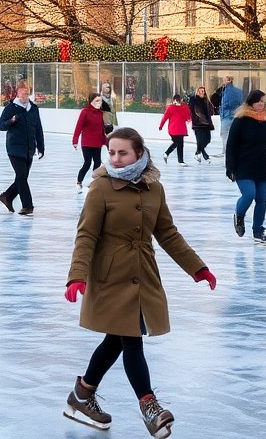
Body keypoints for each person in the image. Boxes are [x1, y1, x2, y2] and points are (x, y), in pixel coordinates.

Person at [63, 127, 215, 437]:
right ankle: (149, 406)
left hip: (142, 274)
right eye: (112, 152)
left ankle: (81, 394)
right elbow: (86, 235)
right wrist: (76, 276)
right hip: (109, 277)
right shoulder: (101, 187)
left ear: (139, 154)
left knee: (118, 339)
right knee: (131, 339)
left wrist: (197, 268)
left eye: (123, 153)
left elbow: (168, 233)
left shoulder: (154, 188)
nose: (116, 159)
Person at [225, 89, 266, 245]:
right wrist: (230, 167)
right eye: (258, 101)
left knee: (261, 200)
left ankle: (258, 230)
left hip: (261, 165)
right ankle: (239, 215)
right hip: (243, 165)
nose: (261, 104)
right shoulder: (241, 119)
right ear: (251, 102)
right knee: (249, 195)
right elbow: (231, 145)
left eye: (263, 101)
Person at [0, 84, 45, 216]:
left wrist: (41, 147)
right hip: (14, 149)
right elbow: (0, 125)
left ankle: (7, 196)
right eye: (22, 94)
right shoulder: (11, 108)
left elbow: (38, 129)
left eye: (27, 94)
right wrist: (11, 121)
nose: (25, 96)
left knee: (22, 177)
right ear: (17, 94)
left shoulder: (33, 109)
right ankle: (27, 206)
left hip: (29, 149)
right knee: (22, 177)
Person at [72, 96, 108, 190]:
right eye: (96, 101)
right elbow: (78, 126)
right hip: (87, 143)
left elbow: (101, 130)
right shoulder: (85, 112)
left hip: (97, 143)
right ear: (91, 101)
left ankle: (94, 181)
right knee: (87, 163)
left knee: (97, 162)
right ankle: (79, 181)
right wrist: (75, 140)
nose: (99, 103)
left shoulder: (100, 113)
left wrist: (106, 142)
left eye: (100, 101)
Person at [158, 94, 190, 167]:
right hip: (174, 129)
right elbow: (165, 117)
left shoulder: (184, 107)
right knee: (177, 143)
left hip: (181, 129)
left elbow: (187, 117)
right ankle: (167, 153)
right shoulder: (171, 108)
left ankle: (180, 160)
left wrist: (183, 107)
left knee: (180, 145)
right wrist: (161, 125)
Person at [187, 86, 215, 164]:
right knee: (200, 141)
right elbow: (192, 110)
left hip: (206, 124)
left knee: (207, 140)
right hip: (198, 123)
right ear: (197, 92)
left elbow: (211, 111)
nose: (201, 92)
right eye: (200, 91)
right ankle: (205, 156)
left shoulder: (206, 101)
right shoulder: (194, 99)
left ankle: (198, 153)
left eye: (203, 91)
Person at [217, 76, 244, 148]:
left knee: (225, 134)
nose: (223, 82)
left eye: (225, 80)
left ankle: (226, 149)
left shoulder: (225, 90)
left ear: (228, 81)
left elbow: (226, 103)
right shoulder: (237, 91)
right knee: (234, 134)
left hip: (227, 115)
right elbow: (241, 103)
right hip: (235, 115)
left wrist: (221, 109)